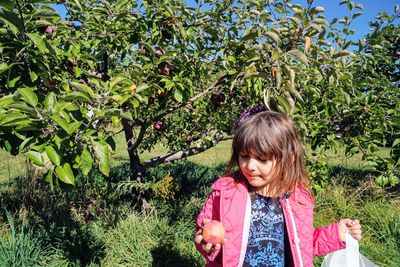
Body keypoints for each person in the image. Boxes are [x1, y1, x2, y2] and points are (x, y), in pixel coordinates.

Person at [194, 109, 362, 267]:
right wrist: (205, 244)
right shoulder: (225, 193)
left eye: (262, 159)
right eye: (244, 156)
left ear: (288, 158)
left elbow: (301, 246)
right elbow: (207, 236)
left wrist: (335, 235)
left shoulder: (299, 199)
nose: (250, 166)